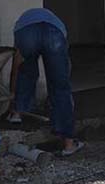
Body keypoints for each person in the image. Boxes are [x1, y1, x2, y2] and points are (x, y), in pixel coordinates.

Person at [8, 8, 84, 156]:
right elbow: (65, 66)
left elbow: (16, 65)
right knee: (59, 86)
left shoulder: (22, 23)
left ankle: (17, 113)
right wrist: (64, 88)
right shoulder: (58, 25)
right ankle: (69, 144)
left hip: (27, 34)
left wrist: (12, 95)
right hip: (54, 35)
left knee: (26, 72)